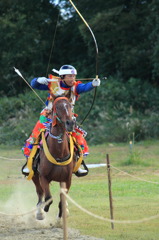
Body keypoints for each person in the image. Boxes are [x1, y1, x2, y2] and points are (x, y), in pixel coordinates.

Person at [22, 65, 100, 175]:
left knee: (78, 138)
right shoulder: (53, 83)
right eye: (70, 76)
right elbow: (34, 85)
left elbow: (85, 87)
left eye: (74, 76)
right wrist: (38, 80)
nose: (73, 78)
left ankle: (77, 164)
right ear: (62, 77)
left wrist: (92, 84)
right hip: (48, 115)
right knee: (35, 136)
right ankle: (30, 164)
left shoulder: (75, 87)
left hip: (67, 118)